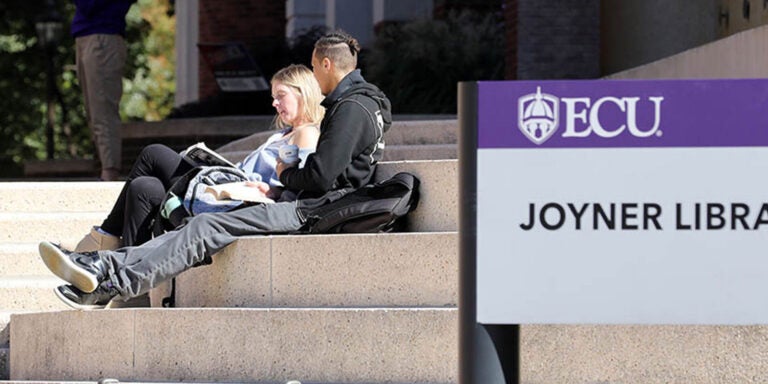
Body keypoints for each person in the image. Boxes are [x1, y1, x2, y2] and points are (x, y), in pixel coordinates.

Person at [39, 30, 392, 310]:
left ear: (327, 64)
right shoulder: (362, 106)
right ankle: (100, 271)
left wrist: (282, 176)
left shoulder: (352, 108)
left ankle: (105, 277)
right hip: (303, 206)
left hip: (306, 211)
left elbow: (320, 177)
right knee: (179, 210)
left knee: (199, 222)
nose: (316, 77)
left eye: (315, 69)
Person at [64, 64, 324, 251]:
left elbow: (303, 184)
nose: (274, 104)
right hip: (224, 188)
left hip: (238, 204)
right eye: (273, 97)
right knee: (145, 187)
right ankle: (129, 273)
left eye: (281, 96)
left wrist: (272, 190)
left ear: (304, 94)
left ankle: (105, 237)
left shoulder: (307, 134)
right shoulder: (284, 133)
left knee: (153, 153)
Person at [73, 0, 136, 181]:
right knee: (94, 112)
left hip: (102, 38)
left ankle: (109, 173)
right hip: (88, 35)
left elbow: (89, 6)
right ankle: (106, 169)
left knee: (103, 110)